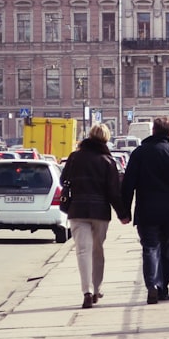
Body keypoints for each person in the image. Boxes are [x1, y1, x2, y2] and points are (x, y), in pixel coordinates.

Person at [120, 116, 169, 305]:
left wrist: (125, 211)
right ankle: (163, 289)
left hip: (146, 211)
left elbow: (128, 185)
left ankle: (152, 285)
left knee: (150, 248)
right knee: (166, 250)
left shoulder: (139, 153)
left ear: (152, 131)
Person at [60, 123, 130, 309]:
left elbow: (63, 180)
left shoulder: (74, 157)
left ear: (89, 136)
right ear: (106, 138)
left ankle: (87, 292)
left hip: (77, 210)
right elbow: (114, 192)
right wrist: (123, 214)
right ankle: (97, 288)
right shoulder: (107, 161)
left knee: (82, 251)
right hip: (100, 212)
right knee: (97, 250)